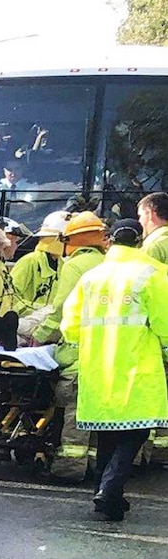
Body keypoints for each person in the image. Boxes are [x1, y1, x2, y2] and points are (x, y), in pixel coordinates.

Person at [61, 218, 168, 521]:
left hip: (98, 368)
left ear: (109, 241)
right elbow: (165, 323)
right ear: (139, 241)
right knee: (136, 431)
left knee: (108, 433)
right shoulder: (153, 274)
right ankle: (109, 488)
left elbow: (70, 325)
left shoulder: (92, 277)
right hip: (137, 368)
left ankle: (108, 495)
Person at [31, 211, 107, 482]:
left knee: (75, 417)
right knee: (97, 418)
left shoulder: (75, 266)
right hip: (107, 354)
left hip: (78, 355)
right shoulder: (108, 262)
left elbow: (62, 308)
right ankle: (94, 468)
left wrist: (40, 335)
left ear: (71, 240)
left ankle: (69, 470)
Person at [136, 192, 168, 467]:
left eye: (140, 216)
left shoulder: (152, 248)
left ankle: (150, 453)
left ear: (151, 214)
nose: (140, 222)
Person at [12, 211, 71, 314]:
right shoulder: (29, 262)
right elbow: (9, 297)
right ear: (59, 239)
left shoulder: (63, 266)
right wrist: (38, 310)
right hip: (23, 323)